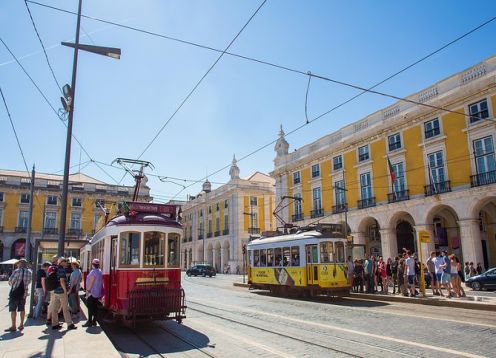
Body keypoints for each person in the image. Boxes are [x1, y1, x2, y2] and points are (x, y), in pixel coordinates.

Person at [5, 259, 32, 332]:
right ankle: (21, 325)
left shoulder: (17, 271)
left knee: (13, 309)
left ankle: (13, 326)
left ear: (20, 264)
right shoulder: (29, 272)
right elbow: (29, 282)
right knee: (22, 309)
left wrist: (13, 285)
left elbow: (10, 281)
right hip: (24, 293)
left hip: (15, 293)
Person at [51, 257, 77, 330]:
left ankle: (55, 324)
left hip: (56, 291)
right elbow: (62, 281)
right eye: (65, 261)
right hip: (62, 292)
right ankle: (70, 324)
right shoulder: (62, 269)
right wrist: (65, 291)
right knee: (65, 308)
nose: (66, 262)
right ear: (61, 262)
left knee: (55, 308)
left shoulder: (56, 269)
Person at [84, 258, 104, 327]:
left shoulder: (93, 272)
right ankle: (94, 321)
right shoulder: (100, 271)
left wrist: (88, 290)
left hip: (92, 292)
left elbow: (91, 282)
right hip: (97, 292)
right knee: (95, 307)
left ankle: (89, 321)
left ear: (93, 264)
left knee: (90, 307)